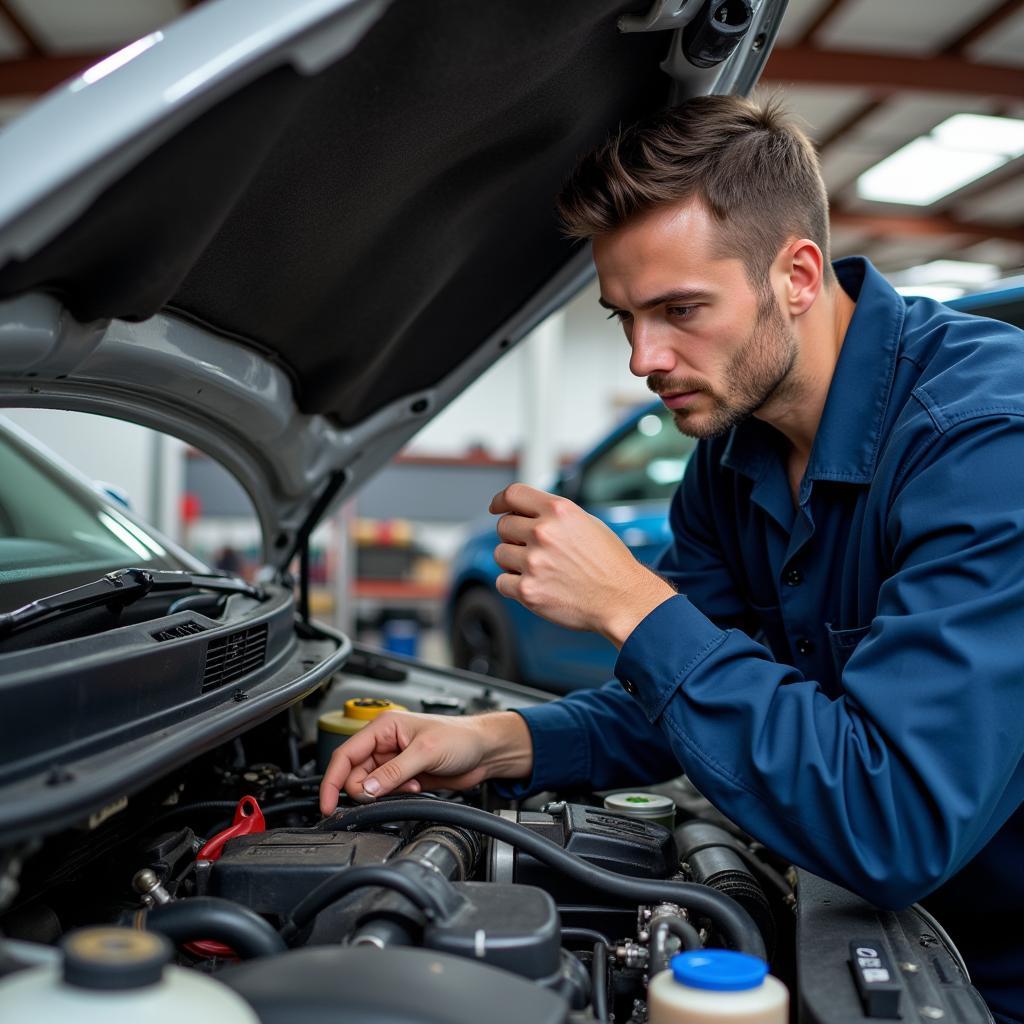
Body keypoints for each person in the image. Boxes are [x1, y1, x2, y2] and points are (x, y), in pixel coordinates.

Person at [320, 95, 1024, 1020]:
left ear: (798, 275)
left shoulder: (984, 443)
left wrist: (633, 604)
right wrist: (500, 743)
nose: (645, 358)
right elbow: (690, 701)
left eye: (681, 309)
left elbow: (891, 821)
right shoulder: (729, 462)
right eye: (623, 318)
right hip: (876, 926)